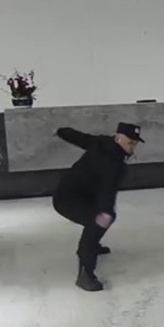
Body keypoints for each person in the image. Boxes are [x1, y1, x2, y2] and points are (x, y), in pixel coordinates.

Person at [52, 122, 143, 292]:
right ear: (118, 138)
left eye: (135, 143)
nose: (133, 147)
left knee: (104, 218)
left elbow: (80, 138)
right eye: (130, 142)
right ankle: (85, 274)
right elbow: (107, 190)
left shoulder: (103, 142)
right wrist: (104, 212)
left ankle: (92, 245)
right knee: (96, 222)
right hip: (67, 199)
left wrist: (61, 131)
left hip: (82, 194)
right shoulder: (115, 164)